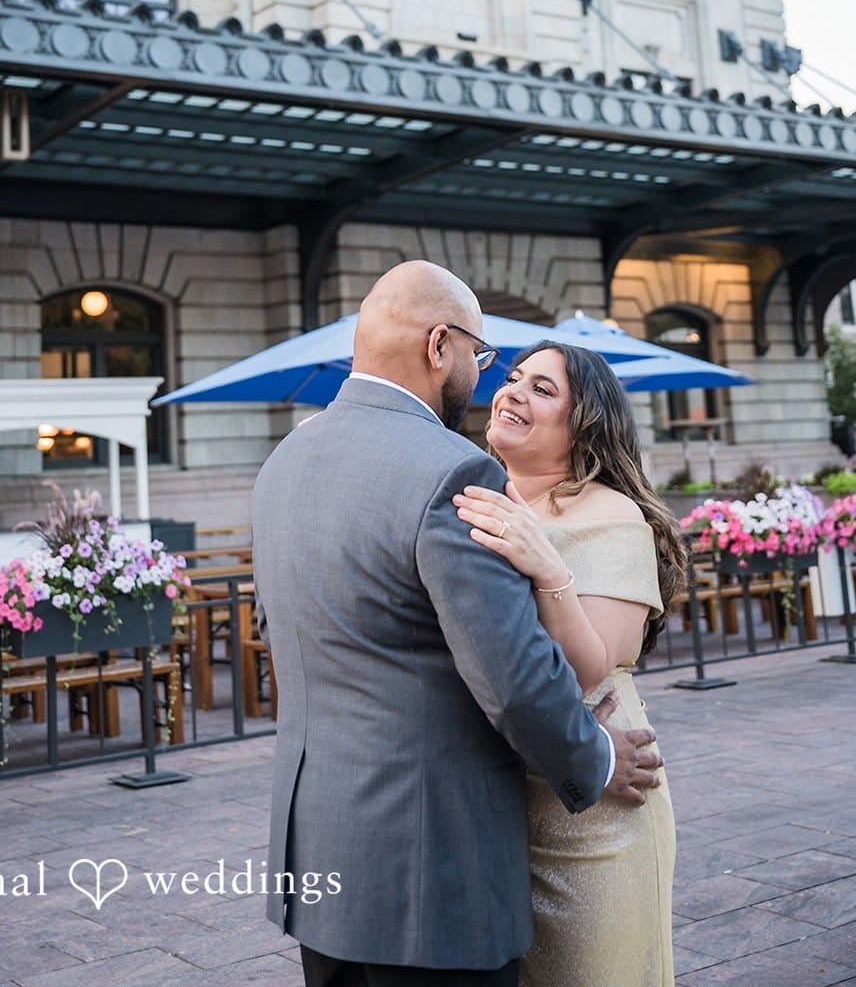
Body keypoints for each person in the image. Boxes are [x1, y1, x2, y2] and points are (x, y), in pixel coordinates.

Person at [252, 261, 664, 987]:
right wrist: (597, 757)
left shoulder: (285, 461)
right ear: (440, 344)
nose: (485, 376)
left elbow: (283, 639)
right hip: (432, 870)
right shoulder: (454, 471)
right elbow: (510, 679)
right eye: (481, 355)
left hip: (319, 855)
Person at [453, 341, 683, 987]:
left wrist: (547, 565)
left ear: (585, 424)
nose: (512, 392)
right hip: (496, 807)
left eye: (543, 389)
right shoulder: (475, 496)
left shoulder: (613, 516)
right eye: (513, 378)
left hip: (595, 814)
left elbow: (586, 671)